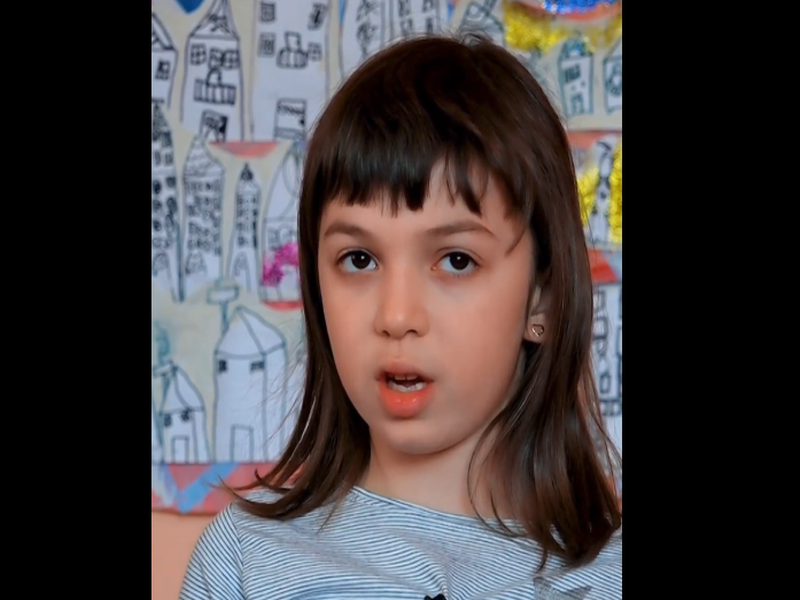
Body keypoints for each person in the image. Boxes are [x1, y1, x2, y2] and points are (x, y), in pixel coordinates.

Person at [178, 33, 622, 600]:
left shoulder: (606, 578)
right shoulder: (245, 556)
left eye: (456, 260)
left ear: (544, 300)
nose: (396, 315)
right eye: (359, 259)